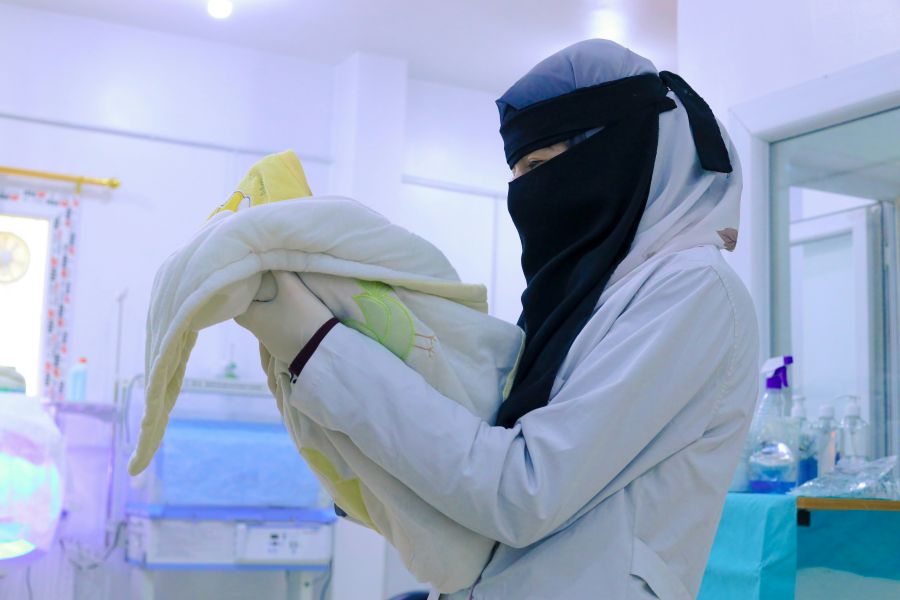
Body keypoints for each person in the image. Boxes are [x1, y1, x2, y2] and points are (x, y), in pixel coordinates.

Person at [236, 39, 759, 600]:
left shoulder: (692, 291)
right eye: (516, 170)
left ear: (618, 154)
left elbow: (523, 492)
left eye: (538, 164)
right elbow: (478, 442)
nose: (523, 190)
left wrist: (321, 348)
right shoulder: (584, 300)